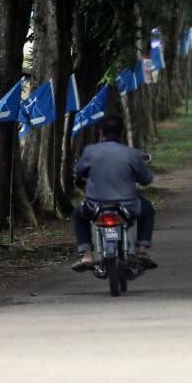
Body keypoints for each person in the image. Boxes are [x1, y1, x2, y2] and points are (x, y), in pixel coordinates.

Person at [71, 115, 157, 271]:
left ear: (101, 132)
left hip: (94, 204)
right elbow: (146, 179)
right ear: (122, 132)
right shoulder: (132, 154)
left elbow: (79, 171)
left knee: (78, 214)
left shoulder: (90, 151)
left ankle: (87, 254)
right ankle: (143, 249)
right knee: (148, 209)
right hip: (128, 204)